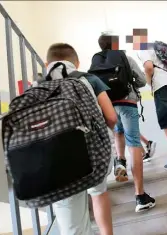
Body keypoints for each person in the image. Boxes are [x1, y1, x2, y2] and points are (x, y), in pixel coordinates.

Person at [45, 43, 116, 235]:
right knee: (98, 193)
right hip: (92, 152)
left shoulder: (39, 85)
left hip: (57, 158)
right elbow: (111, 117)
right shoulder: (89, 79)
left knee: (70, 214)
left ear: (47, 64)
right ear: (76, 62)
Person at [94, 34, 156, 213]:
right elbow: (143, 81)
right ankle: (140, 196)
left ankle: (119, 162)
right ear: (116, 44)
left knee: (118, 133)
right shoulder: (126, 59)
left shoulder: (97, 65)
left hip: (109, 107)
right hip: (127, 103)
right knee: (134, 144)